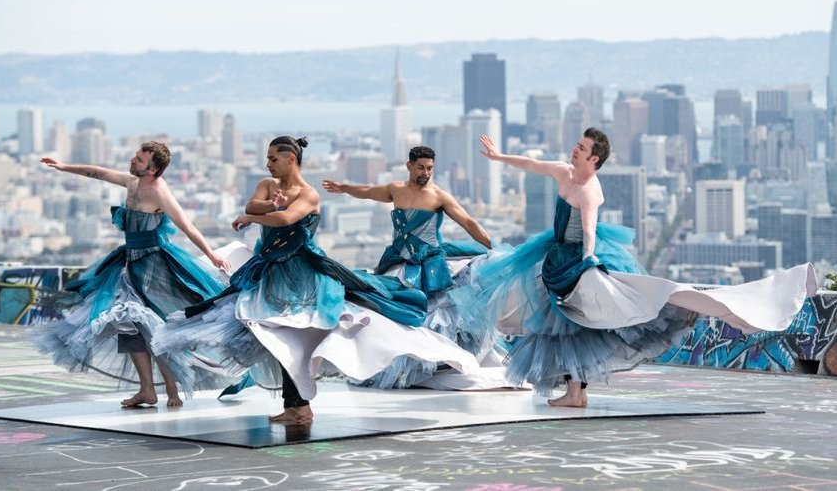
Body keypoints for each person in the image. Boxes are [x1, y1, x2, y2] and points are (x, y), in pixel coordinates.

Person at [470, 128, 817, 407]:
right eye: (577, 144)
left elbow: (588, 229)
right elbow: (532, 164)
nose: (575, 149)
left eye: (582, 147)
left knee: (587, 321)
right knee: (576, 323)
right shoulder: (564, 172)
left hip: (576, 261)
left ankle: (576, 391)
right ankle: (577, 391)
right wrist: (499, 157)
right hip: (558, 257)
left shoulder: (590, 191)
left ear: (595, 159)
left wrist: (588, 260)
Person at [151, 136, 478, 424]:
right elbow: (256, 203)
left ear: (290, 159)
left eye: (273, 159)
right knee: (274, 334)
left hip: (301, 272)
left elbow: (285, 219)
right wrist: (262, 207)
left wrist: (252, 217)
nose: (268, 164)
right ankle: (295, 406)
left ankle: (301, 406)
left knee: (288, 334)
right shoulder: (268, 185)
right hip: (270, 268)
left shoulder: (308, 195)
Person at [32, 142, 233, 407]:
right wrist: (63, 167)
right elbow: (99, 173)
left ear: (152, 170)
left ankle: (172, 390)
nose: (132, 160)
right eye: (136, 156)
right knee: (128, 325)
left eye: (139, 159)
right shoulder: (132, 183)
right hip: (129, 264)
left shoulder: (159, 192)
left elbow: (188, 227)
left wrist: (212, 256)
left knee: (156, 327)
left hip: (154, 267)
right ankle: (147, 390)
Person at [323, 146, 506, 389]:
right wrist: (343, 188)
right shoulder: (395, 190)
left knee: (431, 314)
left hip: (429, 264)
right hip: (398, 261)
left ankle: (435, 364)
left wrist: (492, 246)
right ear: (409, 165)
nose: (425, 172)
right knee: (393, 314)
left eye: (430, 168)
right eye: (421, 167)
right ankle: (401, 364)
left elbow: (468, 222)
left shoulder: (439, 196)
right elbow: (367, 191)